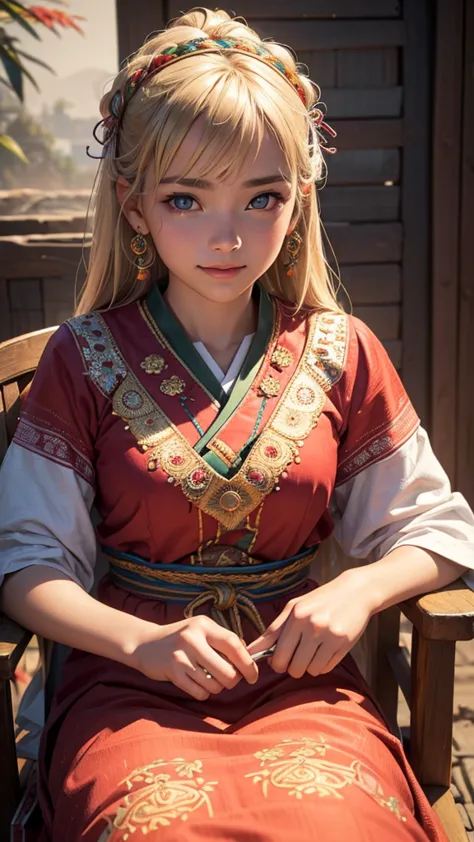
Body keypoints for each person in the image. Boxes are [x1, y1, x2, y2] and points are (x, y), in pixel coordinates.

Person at [1, 7, 473, 841]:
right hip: (128, 683)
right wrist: (138, 644)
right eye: (187, 198)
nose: (229, 236)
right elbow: (24, 565)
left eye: (263, 198)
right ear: (135, 204)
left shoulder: (343, 351)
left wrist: (355, 593)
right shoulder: (83, 359)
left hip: (302, 682)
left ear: (299, 200)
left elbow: (438, 528)